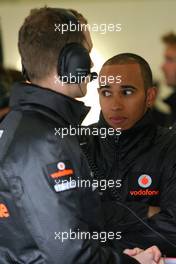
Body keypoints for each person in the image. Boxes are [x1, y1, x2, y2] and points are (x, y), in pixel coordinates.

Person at [0, 7, 162, 264]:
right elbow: (69, 254)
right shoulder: (46, 140)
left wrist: (117, 255)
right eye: (86, 53)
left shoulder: (18, 124)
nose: (91, 64)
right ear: (72, 62)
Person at [83, 53, 176, 257]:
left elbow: (173, 230)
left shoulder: (170, 146)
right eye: (107, 93)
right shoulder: (79, 143)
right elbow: (66, 220)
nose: (115, 105)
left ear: (149, 96)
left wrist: (102, 250)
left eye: (126, 92)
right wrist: (142, 212)